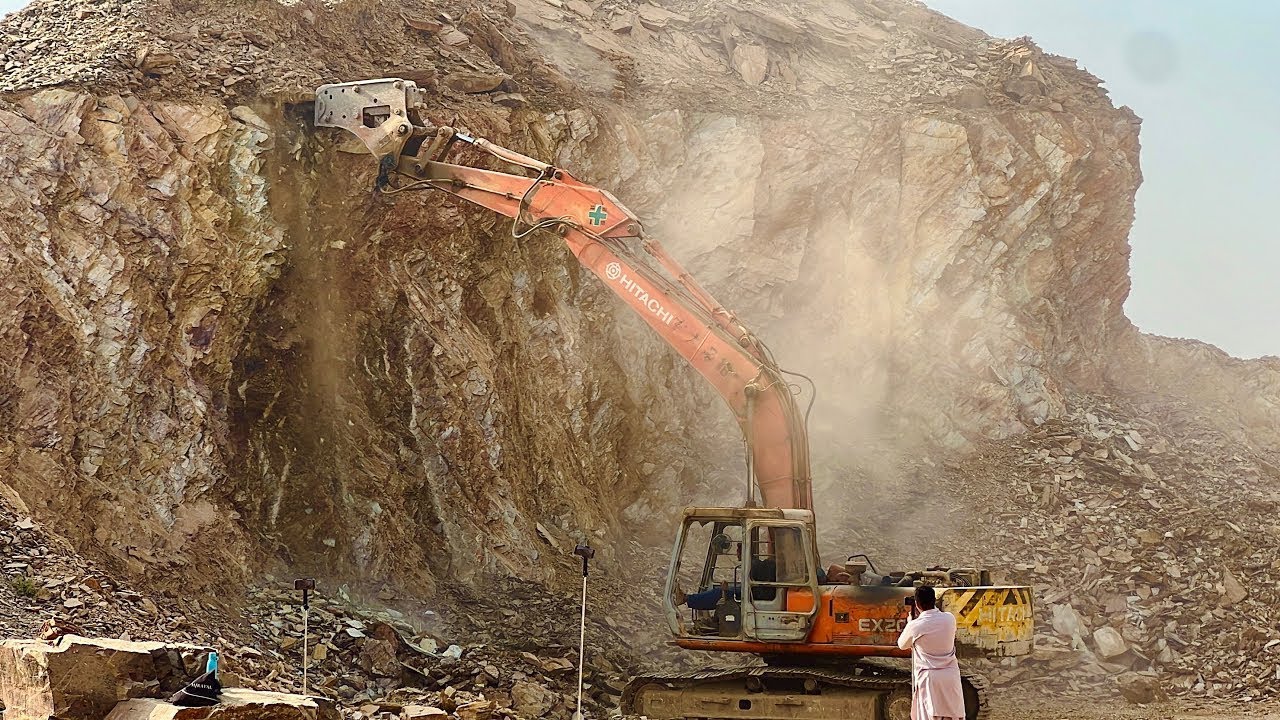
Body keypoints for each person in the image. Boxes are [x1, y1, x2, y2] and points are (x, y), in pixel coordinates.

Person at [896, 586, 965, 720]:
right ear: (934, 600)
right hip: (951, 676)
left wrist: (910, 624)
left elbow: (902, 645)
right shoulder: (950, 619)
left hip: (930, 678)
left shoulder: (916, 625)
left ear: (917, 604)